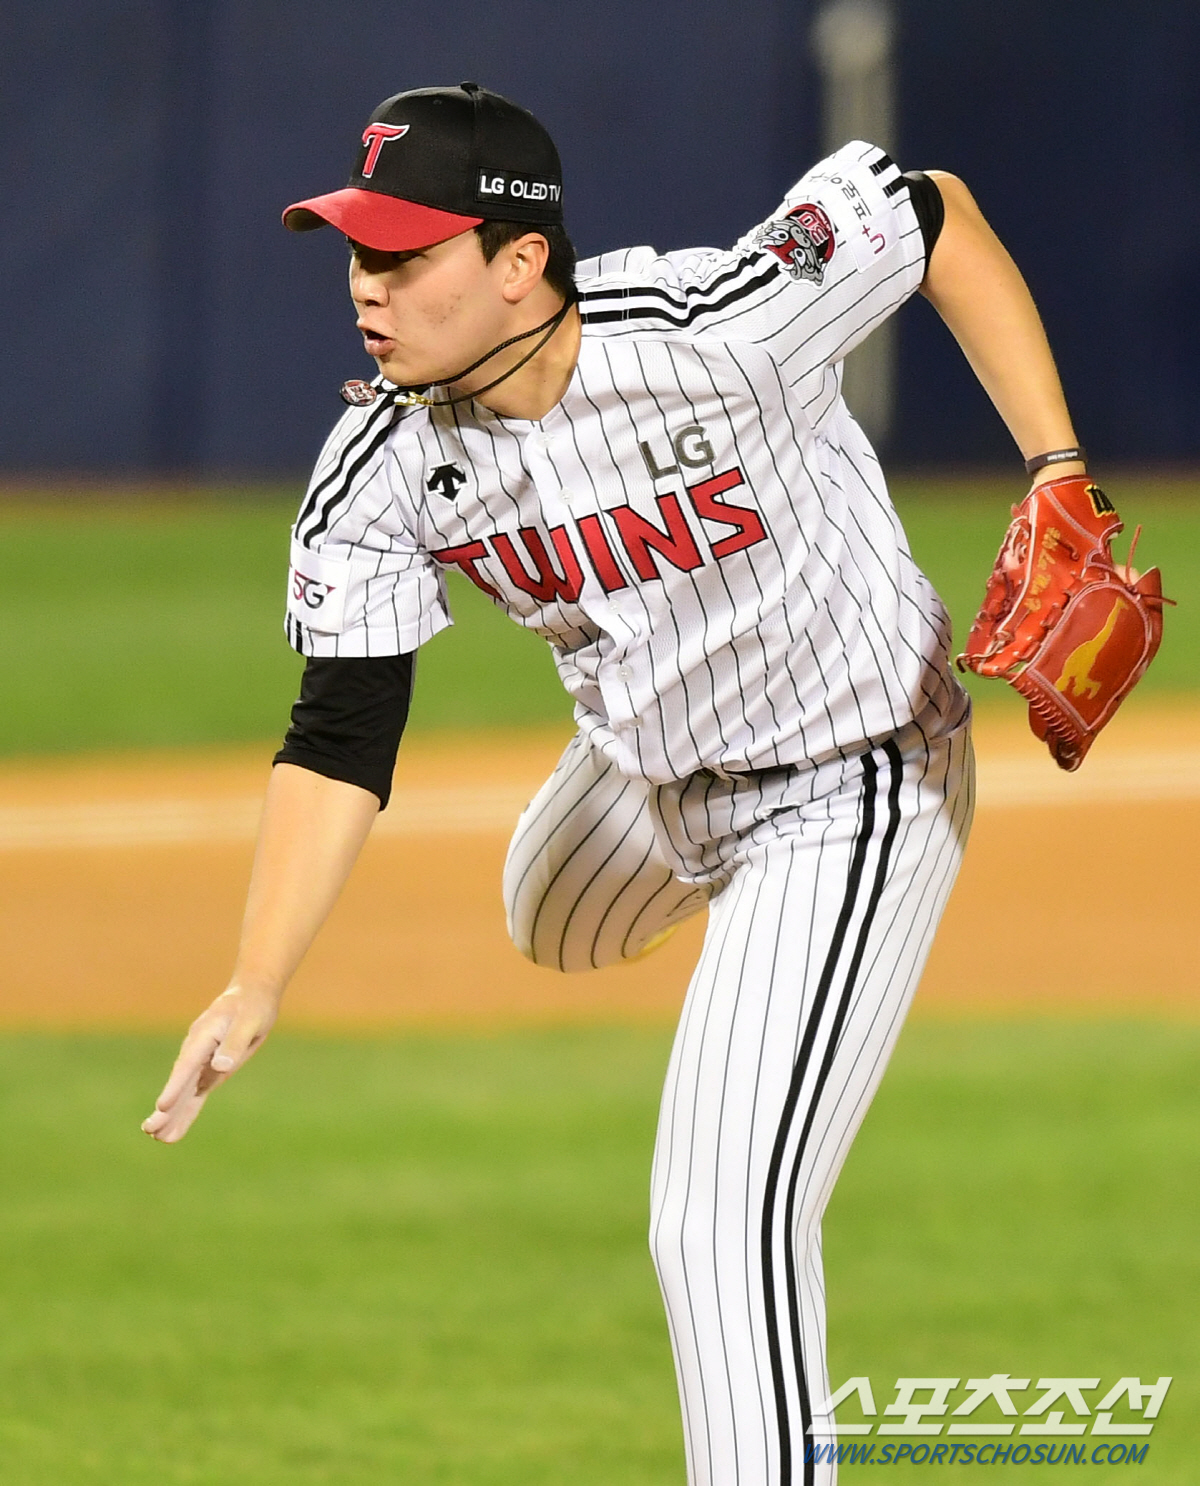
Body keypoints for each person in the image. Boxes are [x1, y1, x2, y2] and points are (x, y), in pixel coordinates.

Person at [144, 82, 1089, 1485]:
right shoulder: (383, 464)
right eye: (357, 252)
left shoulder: (722, 329)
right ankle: (698, 836)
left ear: (521, 260)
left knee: (720, 1218)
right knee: (544, 916)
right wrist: (256, 974)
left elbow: (931, 209)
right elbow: (343, 728)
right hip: (653, 775)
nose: (367, 288)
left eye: (405, 255)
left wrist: (1057, 466)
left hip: (857, 775)